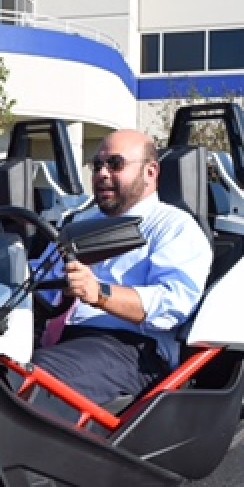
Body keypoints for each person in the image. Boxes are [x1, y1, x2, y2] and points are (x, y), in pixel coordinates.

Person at [31, 128, 213, 406]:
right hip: (63, 337)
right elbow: (40, 281)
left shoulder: (174, 227)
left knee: (34, 375)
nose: (102, 173)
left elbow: (174, 303)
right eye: (98, 165)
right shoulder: (79, 221)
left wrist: (100, 293)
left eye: (115, 164)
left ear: (150, 172)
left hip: (133, 349)